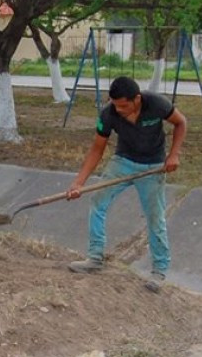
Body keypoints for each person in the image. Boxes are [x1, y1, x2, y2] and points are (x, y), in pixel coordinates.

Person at [65, 76, 187, 292]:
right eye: (115, 104)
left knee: (155, 216)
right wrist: (78, 182)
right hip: (122, 162)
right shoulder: (108, 114)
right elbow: (97, 149)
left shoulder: (156, 104)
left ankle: (159, 271)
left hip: (153, 166)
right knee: (97, 203)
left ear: (137, 99)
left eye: (123, 105)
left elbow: (181, 122)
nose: (119, 110)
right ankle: (95, 258)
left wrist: (174, 155)